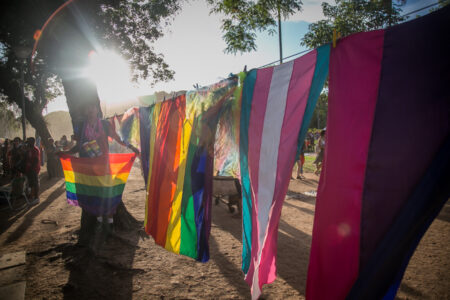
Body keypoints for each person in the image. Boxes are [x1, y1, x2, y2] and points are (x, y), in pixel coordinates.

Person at [61, 102, 139, 233]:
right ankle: (99, 223)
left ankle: (109, 224)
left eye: (93, 108)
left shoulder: (104, 124)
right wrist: (65, 153)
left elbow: (117, 138)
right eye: (88, 108)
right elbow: (78, 146)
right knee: (93, 193)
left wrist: (131, 147)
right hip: (88, 166)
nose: (91, 110)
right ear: (86, 111)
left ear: (97, 110)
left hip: (104, 164)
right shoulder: (81, 127)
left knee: (107, 192)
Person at [25, 137, 40, 204]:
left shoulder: (35, 150)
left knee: (35, 183)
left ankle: (36, 197)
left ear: (32, 142)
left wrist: (31, 167)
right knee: (31, 183)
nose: (27, 144)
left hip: (34, 169)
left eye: (28, 142)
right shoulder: (29, 149)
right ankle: (32, 195)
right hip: (29, 169)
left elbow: (36, 160)